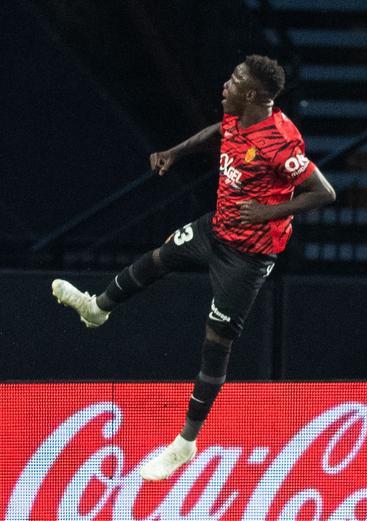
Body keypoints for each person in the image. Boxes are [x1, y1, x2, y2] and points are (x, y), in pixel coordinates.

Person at [51, 55, 336, 481]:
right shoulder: (237, 118)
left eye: (236, 80)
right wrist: (176, 152)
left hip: (249, 256)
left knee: (215, 340)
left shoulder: (281, 140)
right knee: (158, 258)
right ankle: (97, 309)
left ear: (255, 94)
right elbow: (218, 133)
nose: (226, 84)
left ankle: (185, 442)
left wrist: (268, 212)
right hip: (215, 229)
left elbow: (324, 192)